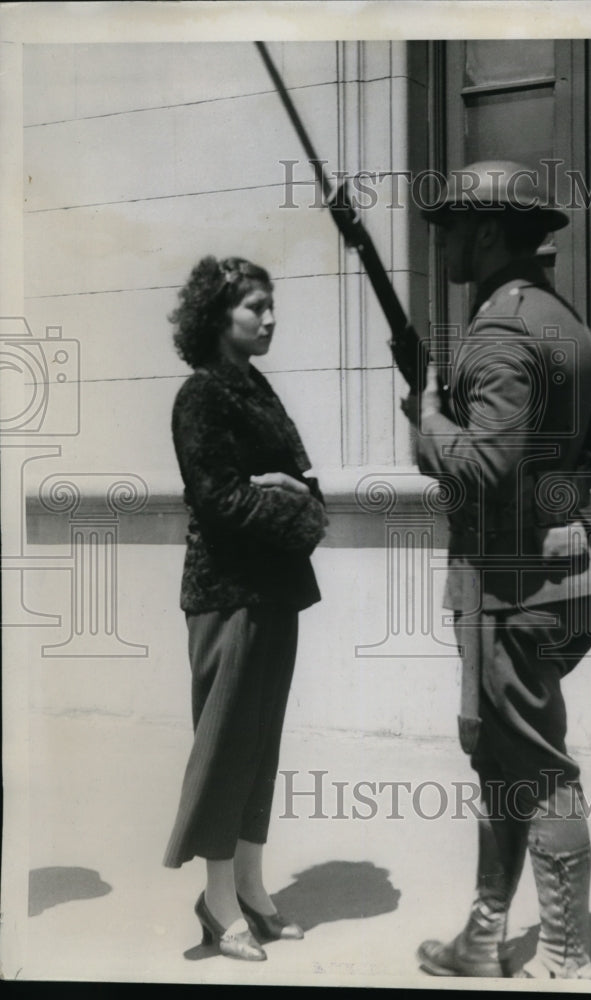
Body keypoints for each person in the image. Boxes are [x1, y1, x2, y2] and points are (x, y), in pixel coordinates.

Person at [401, 161, 591, 979]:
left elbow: (482, 472)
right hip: (555, 581)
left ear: (489, 229)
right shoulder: (563, 320)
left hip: (510, 589)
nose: (445, 241)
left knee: (534, 764)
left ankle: (565, 958)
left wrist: (427, 421)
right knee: (500, 756)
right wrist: (554, 504)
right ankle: (487, 936)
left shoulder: (497, 331)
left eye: (453, 226)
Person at [163, 256, 328, 960]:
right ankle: (217, 898)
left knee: (260, 748)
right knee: (226, 748)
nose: (269, 318)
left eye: (270, 305)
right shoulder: (200, 396)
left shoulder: (257, 388)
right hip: (226, 595)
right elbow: (223, 503)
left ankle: (254, 889)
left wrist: (294, 497)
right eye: (255, 307)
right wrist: (290, 502)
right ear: (217, 316)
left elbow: (307, 485)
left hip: (275, 591)